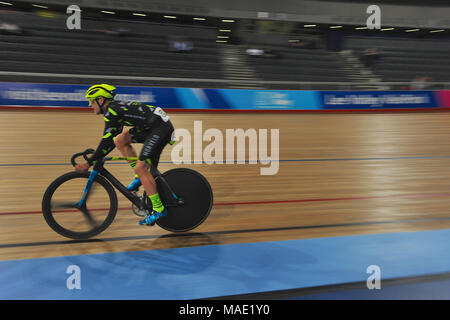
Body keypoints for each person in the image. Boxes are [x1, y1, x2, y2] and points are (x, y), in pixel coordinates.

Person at [74, 84, 174, 226]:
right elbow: (110, 141)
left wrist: (89, 162)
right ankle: (138, 177)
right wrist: (95, 156)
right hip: (152, 126)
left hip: (160, 128)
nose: (90, 105)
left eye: (91, 101)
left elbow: (106, 141)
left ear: (101, 100)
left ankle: (158, 209)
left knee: (141, 167)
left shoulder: (112, 111)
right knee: (120, 140)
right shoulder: (114, 110)